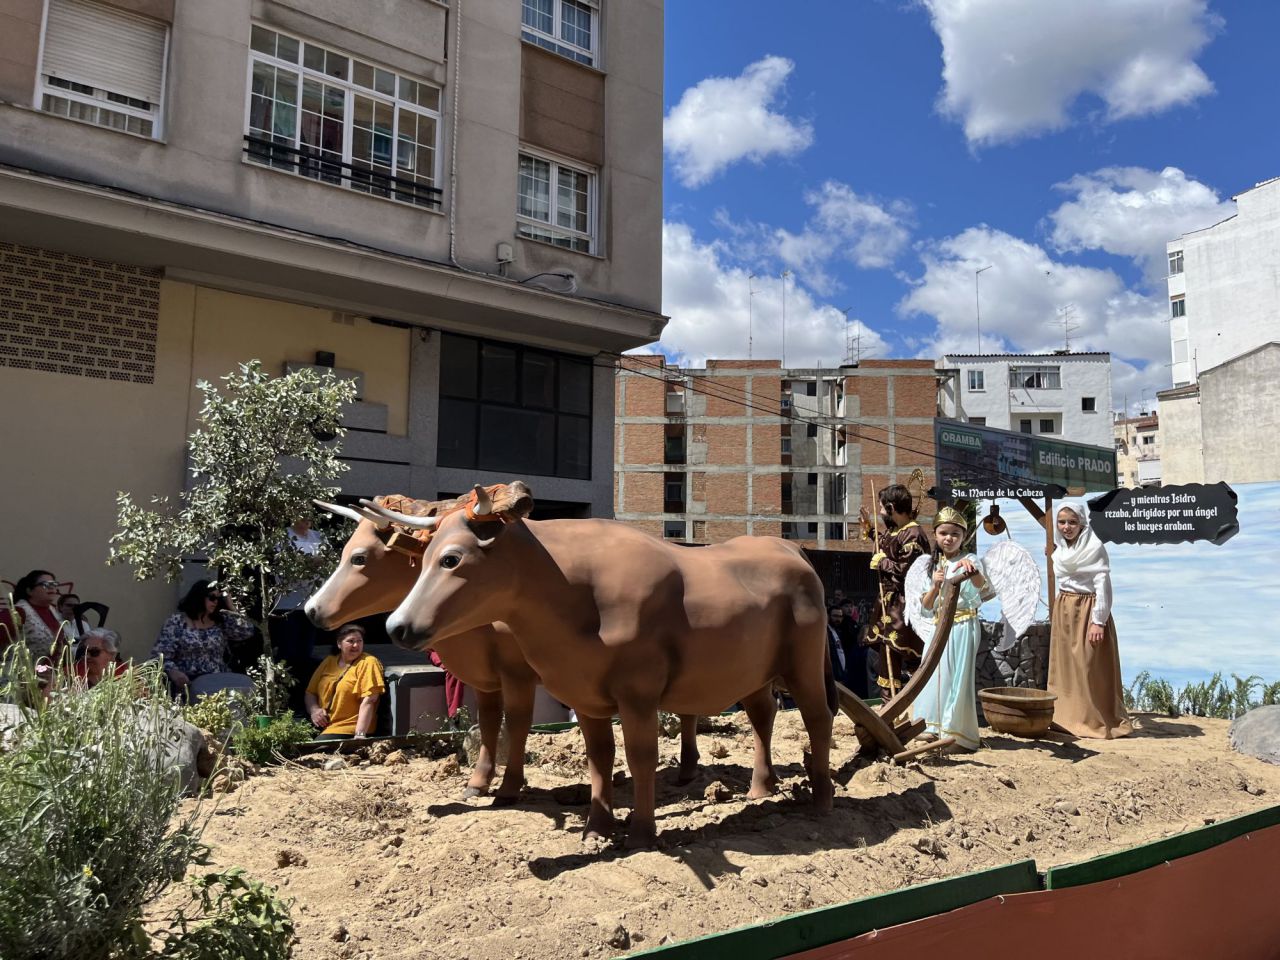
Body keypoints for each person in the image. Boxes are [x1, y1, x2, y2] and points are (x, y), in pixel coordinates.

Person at [1047, 500, 1133, 739]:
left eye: (1072, 522)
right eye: (1062, 522)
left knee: (1088, 664)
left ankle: (1093, 718)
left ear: (1082, 523)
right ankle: (1065, 717)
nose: (1067, 527)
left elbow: (1102, 585)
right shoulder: (1062, 550)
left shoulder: (1094, 548)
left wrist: (1099, 620)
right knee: (1065, 666)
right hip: (1064, 607)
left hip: (1087, 609)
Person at [912, 507, 994, 753]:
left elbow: (982, 588)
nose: (949, 538)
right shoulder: (933, 566)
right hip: (939, 627)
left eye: (955, 534)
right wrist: (935, 587)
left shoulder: (970, 560)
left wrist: (973, 572)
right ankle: (929, 725)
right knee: (932, 672)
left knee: (957, 676)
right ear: (936, 535)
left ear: (963, 537)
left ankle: (955, 732)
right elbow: (926, 608)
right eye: (944, 533)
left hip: (963, 625)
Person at [859, 485, 932, 697]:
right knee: (886, 651)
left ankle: (904, 699)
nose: (880, 511)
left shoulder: (914, 534)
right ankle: (889, 700)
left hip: (904, 604)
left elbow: (909, 570)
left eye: (882, 507)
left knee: (896, 651)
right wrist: (870, 529)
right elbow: (886, 544)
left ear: (891, 507)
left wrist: (884, 564)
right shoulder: (898, 531)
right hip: (889, 603)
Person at [151, 581, 255, 696]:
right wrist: (174, 672)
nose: (215, 602)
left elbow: (247, 631)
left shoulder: (221, 621)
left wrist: (230, 605)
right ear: (199, 597)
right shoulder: (177, 623)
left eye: (218, 599)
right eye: (212, 597)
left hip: (217, 681)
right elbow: (160, 656)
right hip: (188, 683)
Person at [270, 517, 325, 712]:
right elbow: (288, 566)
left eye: (308, 519)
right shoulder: (284, 537)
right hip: (287, 605)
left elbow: (326, 562)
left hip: (310, 603)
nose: (305, 522)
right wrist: (310, 562)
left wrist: (309, 562)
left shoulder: (318, 537)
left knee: (305, 654)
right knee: (288, 655)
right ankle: (284, 702)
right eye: (301, 518)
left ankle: (303, 699)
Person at [305, 623, 385, 739]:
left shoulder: (369, 662)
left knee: (314, 749)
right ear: (339, 644)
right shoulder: (329, 661)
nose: (356, 645)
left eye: (359, 641)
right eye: (351, 641)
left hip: (348, 728)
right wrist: (314, 710)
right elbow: (310, 692)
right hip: (324, 725)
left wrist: (360, 734)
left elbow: (369, 700)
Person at [0, 570, 70, 661]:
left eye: (54, 584)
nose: (52, 588)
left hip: (50, 672)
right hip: (18, 673)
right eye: (45, 584)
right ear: (29, 591)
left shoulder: (54, 613)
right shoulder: (18, 612)